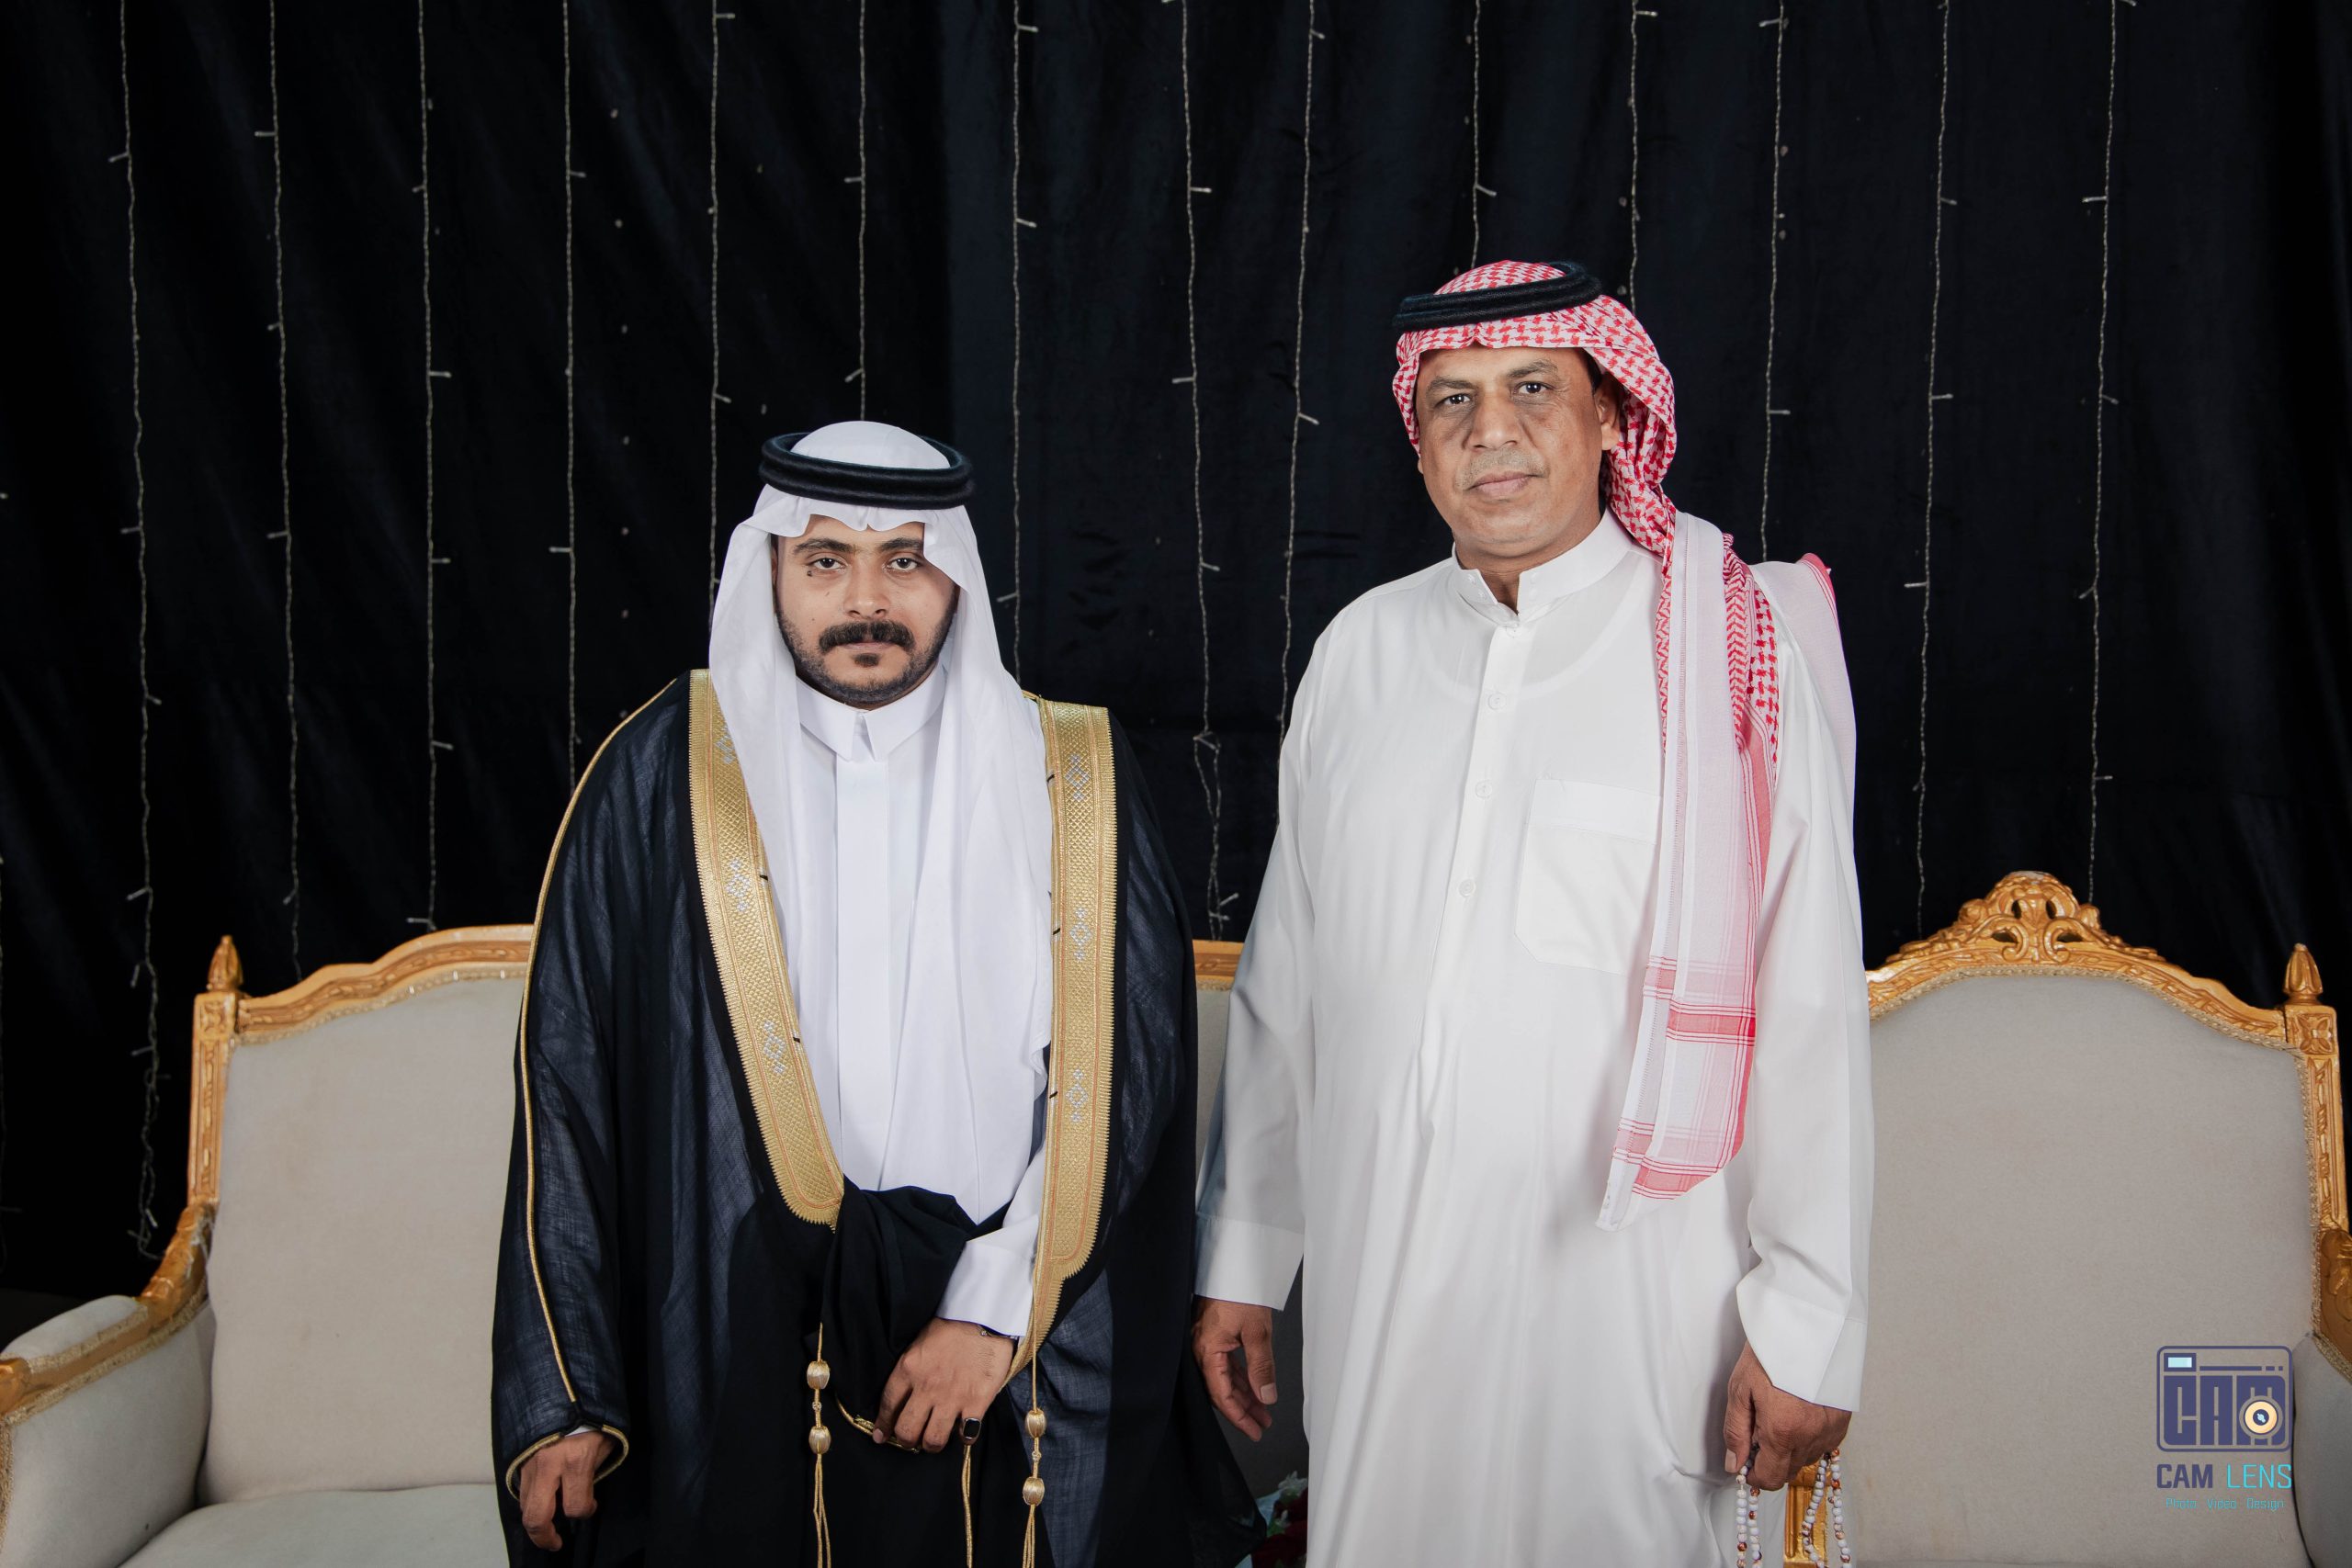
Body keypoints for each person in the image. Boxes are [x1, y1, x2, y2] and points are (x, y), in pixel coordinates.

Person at [1191, 261, 1871, 1564]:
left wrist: (1810, 1317)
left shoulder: (1731, 647)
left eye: (1531, 390)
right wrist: (1245, 1253)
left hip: (1633, 1301)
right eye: (1450, 400)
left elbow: (1808, 1004)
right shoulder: (1360, 653)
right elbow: (1288, 991)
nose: (1488, 431)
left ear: (1614, 414)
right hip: (1385, 1272)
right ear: (1416, 436)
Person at [493, 422, 1257, 1565]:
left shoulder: (1072, 777)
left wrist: (991, 1311)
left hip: (1005, 1342)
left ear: (956, 575)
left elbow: (1126, 1080)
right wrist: (565, 1395)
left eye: (905, 558)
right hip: (745, 1338)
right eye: (825, 560)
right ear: (770, 570)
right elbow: (567, 1090)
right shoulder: (660, 775)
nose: (867, 599)